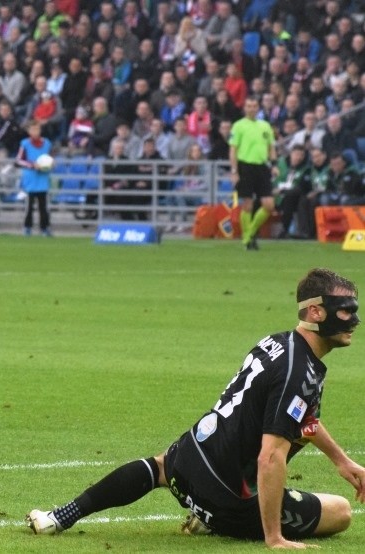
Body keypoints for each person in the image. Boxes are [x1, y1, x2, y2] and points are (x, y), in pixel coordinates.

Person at [28, 267, 365, 548]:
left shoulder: (276, 342)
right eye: (346, 309)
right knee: (340, 511)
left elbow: (299, 416)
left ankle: (60, 516)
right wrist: (274, 537)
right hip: (227, 496)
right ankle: (214, 518)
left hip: (186, 460)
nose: (355, 319)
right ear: (316, 312)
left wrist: (341, 460)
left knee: (157, 467)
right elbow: (270, 457)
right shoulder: (299, 371)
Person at [229, 97, 277, 251]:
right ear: (245, 108)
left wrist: (274, 164)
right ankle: (248, 238)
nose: (252, 108)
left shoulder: (265, 126)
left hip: (262, 167)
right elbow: (233, 149)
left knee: (269, 204)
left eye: (254, 106)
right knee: (247, 205)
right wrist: (234, 170)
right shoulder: (238, 126)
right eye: (249, 106)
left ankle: (249, 234)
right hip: (245, 167)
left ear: (258, 108)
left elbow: (271, 147)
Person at [16, 120, 53, 237]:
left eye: (37, 129)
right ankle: (27, 227)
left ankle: (45, 228)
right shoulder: (25, 144)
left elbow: (51, 158)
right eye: (33, 129)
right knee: (29, 206)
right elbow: (18, 161)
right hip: (30, 179)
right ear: (29, 131)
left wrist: (50, 164)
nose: (35, 132)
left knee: (44, 207)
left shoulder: (47, 143)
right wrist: (32, 165)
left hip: (43, 179)